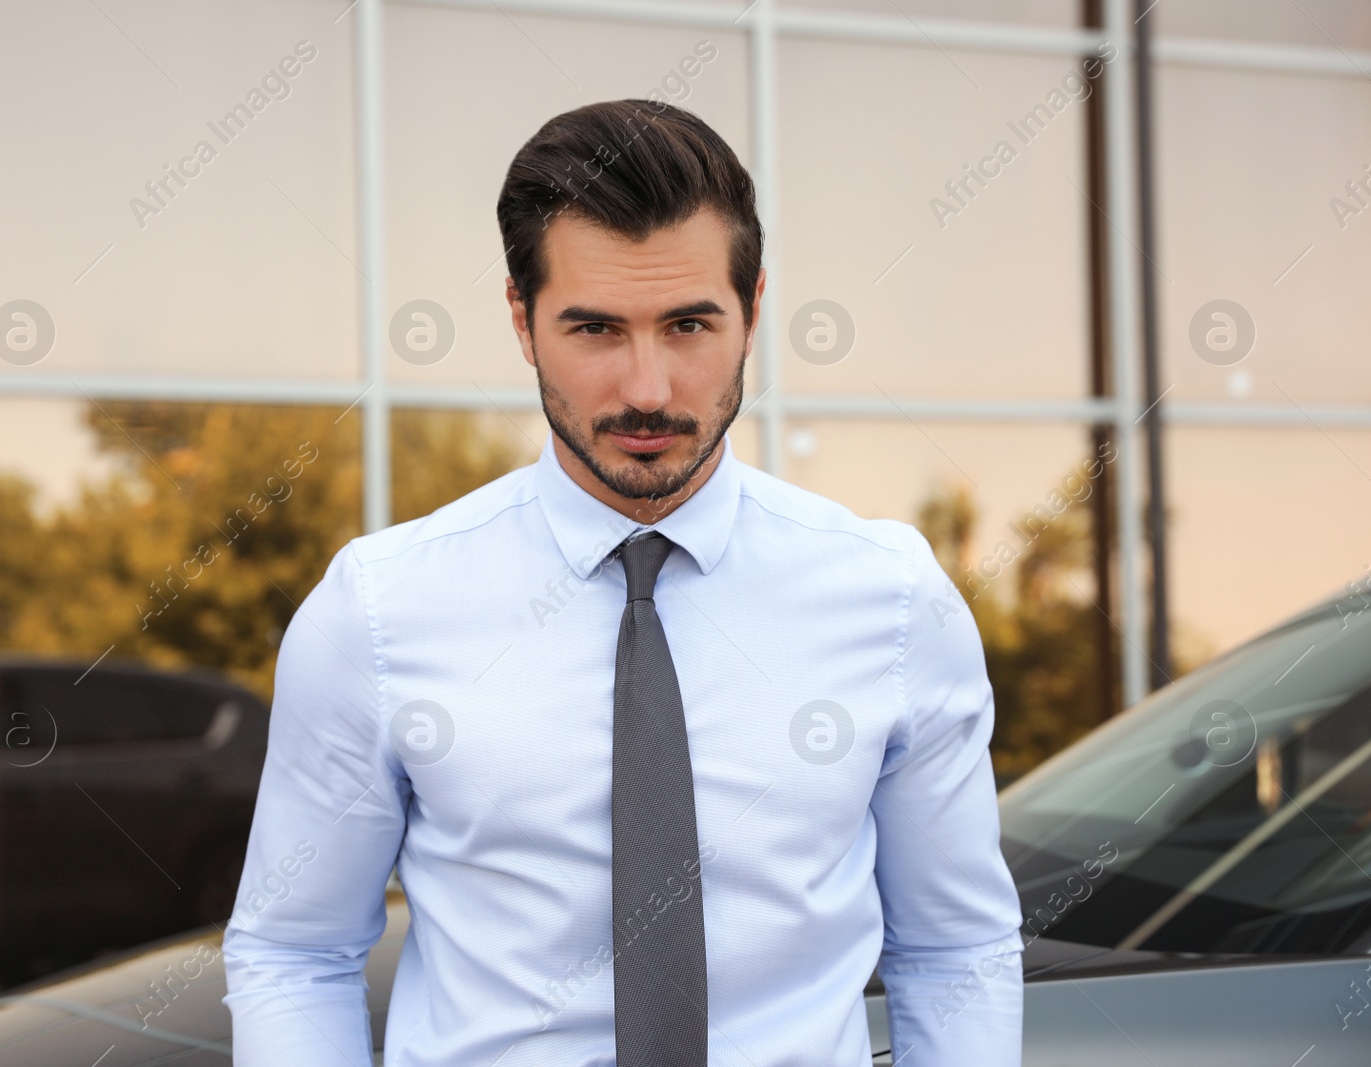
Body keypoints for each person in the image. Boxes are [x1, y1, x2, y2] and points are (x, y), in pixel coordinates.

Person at [222, 98, 1023, 1066]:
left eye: (688, 324)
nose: (647, 388)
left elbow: (955, 946)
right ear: (522, 321)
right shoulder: (381, 608)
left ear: (754, 310)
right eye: (595, 328)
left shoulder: (893, 598)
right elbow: (293, 947)